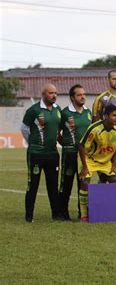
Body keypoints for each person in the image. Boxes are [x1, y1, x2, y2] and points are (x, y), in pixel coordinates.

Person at [20, 83, 62, 222]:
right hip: (36, 155)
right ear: (43, 94)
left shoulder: (58, 110)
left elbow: (59, 129)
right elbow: (24, 128)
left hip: (53, 154)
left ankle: (56, 215)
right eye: (51, 93)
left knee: (53, 186)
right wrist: (33, 143)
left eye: (55, 93)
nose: (54, 95)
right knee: (33, 186)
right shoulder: (33, 110)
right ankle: (29, 216)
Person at [78, 104, 116, 222]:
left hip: (106, 162)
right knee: (85, 183)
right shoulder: (95, 128)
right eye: (114, 115)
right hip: (90, 160)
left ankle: (111, 211)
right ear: (106, 116)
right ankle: (83, 215)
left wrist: (113, 165)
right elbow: (81, 146)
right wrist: (85, 167)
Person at [58, 84, 92, 220]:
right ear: (72, 97)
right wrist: (67, 145)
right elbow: (57, 133)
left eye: (84, 94)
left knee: (83, 184)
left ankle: (82, 213)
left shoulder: (88, 112)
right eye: (79, 95)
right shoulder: (65, 113)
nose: (83, 97)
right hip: (70, 154)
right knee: (66, 184)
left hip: (84, 156)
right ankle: (63, 213)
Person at [92, 70, 116, 143]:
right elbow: (95, 121)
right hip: (107, 136)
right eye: (114, 79)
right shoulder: (101, 99)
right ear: (108, 80)